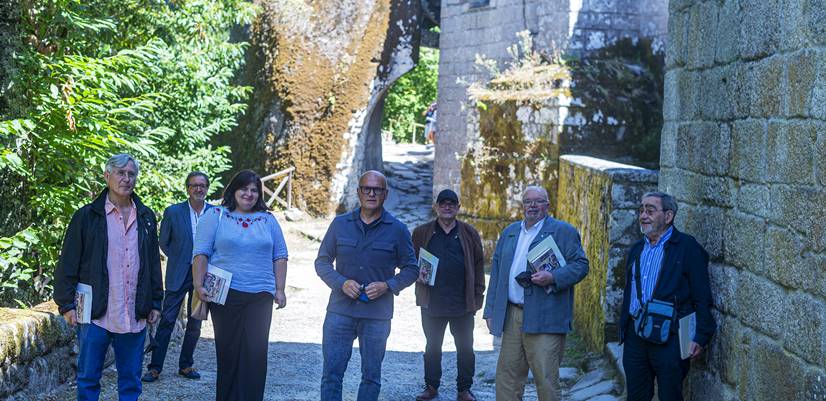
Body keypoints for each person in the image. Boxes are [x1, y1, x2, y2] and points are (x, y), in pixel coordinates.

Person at [53, 153, 163, 401]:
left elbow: (153, 263)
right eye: (121, 173)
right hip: (95, 314)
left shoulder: (145, 217)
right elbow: (68, 263)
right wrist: (66, 305)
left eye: (131, 174)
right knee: (88, 379)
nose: (126, 179)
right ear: (107, 176)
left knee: (131, 381)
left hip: (134, 314)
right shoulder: (86, 217)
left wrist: (156, 302)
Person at [315, 170, 419, 401]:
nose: (371, 193)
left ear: (386, 194)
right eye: (366, 189)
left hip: (377, 316)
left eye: (377, 189)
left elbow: (412, 269)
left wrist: (388, 285)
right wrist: (341, 283)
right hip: (340, 312)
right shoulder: (340, 224)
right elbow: (322, 262)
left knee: (371, 377)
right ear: (358, 192)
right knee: (331, 375)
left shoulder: (398, 230)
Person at [483, 185, 589, 401]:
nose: (533, 205)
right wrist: (491, 309)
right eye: (528, 201)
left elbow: (581, 265)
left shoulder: (563, 231)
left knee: (546, 378)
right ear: (522, 205)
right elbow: (497, 273)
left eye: (538, 201)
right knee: (507, 378)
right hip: (512, 314)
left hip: (546, 315)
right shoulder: (510, 232)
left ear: (547, 205)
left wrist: (554, 277)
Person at [192, 169, 289, 401]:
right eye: (244, 189)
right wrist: (198, 284)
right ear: (234, 190)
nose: (249, 194)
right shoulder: (215, 215)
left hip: (260, 295)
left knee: (255, 355)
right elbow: (201, 253)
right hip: (224, 294)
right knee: (228, 353)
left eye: (254, 190)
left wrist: (280, 289)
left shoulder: (268, 220)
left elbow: (281, 255)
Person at [619, 192, 715, 401]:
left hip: (670, 337)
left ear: (668, 216)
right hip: (636, 336)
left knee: (670, 396)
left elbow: (702, 295)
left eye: (650, 210)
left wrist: (701, 335)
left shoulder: (688, 248)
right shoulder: (636, 249)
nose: (643, 215)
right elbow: (630, 291)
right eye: (642, 210)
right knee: (635, 396)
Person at [411, 189, 485, 401]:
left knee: (465, 348)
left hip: (462, 302)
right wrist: (417, 275)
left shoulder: (469, 233)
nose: (447, 207)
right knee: (432, 347)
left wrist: (478, 295)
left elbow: (479, 266)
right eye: (442, 203)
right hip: (432, 302)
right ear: (436, 207)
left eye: (451, 203)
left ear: (458, 207)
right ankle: (431, 387)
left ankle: (464, 389)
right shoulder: (421, 232)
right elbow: (409, 261)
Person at [142, 172, 212, 382]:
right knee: (167, 320)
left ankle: (186, 365)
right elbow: (163, 241)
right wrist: (181, 258)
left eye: (202, 185)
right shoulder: (173, 212)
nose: (198, 189)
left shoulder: (216, 213)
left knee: (195, 322)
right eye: (194, 185)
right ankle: (155, 367)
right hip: (178, 274)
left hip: (204, 276)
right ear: (187, 189)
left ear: (207, 188)